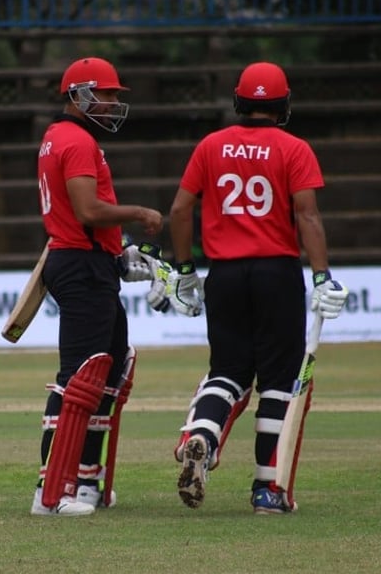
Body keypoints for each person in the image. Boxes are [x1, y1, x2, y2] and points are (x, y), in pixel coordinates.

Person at [165, 61, 349, 514]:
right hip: (276, 273)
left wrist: (185, 267)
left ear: (238, 100)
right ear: (283, 104)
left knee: (226, 372)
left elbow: (179, 210)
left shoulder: (211, 145)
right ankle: (269, 490)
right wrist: (322, 274)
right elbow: (307, 216)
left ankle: (200, 437)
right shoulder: (294, 148)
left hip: (225, 275)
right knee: (278, 382)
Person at [30, 56, 164, 517]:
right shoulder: (76, 140)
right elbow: (87, 211)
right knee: (79, 377)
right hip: (80, 265)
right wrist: (140, 214)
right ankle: (51, 492)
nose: (111, 103)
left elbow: (79, 217)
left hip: (89, 262)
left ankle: (85, 481)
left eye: (113, 97)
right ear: (78, 95)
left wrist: (119, 252)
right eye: (105, 95)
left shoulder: (58, 137)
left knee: (110, 372)